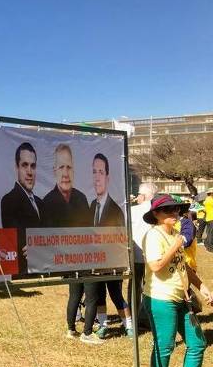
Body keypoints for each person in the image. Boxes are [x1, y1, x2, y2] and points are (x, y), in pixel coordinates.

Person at [142, 194, 213, 367]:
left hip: (182, 298)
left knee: (198, 342)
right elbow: (156, 266)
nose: (174, 213)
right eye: (168, 210)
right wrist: (177, 243)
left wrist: (203, 288)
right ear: (156, 214)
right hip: (160, 299)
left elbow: (184, 267)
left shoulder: (175, 233)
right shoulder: (153, 236)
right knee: (164, 346)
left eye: (176, 210)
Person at [42, 144, 92, 342]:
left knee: (86, 293)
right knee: (75, 293)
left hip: (86, 256)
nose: (65, 173)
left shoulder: (81, 198)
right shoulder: (47, 202)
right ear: (54, 170)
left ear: (74, 170)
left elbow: (90, 232)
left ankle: (88, 322)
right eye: (61, 167)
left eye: (69, 167)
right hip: (66, 259)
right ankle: (71, 328)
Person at [89, 154, 133, 339]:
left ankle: (128, 326)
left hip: (112, 261)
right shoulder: (91, 205)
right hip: (95, 261)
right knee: (98, 295)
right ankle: (103, 323)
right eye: (94, 172)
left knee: (116, 294)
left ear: (107, 177)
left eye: (101, 171)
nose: (97, 176)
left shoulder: (116, 209)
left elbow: (119, 237)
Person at [0, 142, 44, 275]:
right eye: (25, 165)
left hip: (43, 268)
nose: (30, 172)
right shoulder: (9, 200)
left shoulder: (40, 203)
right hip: (24, 271)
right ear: (16, 168)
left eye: (33, 166)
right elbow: (17, 239)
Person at [129, 182, 157, 329]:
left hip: (136, 254)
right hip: (153, 255)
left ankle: (134, 316)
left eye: (139, 195)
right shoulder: (156, 210)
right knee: (150, 287)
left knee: (134, 287)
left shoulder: (133, 211)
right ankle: (146, 317)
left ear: (144, 196)